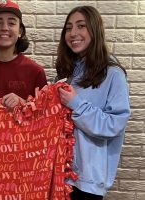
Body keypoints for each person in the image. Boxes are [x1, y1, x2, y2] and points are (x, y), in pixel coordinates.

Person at [55, 6, 130, 199]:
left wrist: (76, 104)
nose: (73, 34)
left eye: (81, 26)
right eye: (69, 28)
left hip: (86, 181)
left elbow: (114, 125)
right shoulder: (67, 73)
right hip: (60, 175)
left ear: (95, 30)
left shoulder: (112, 73)